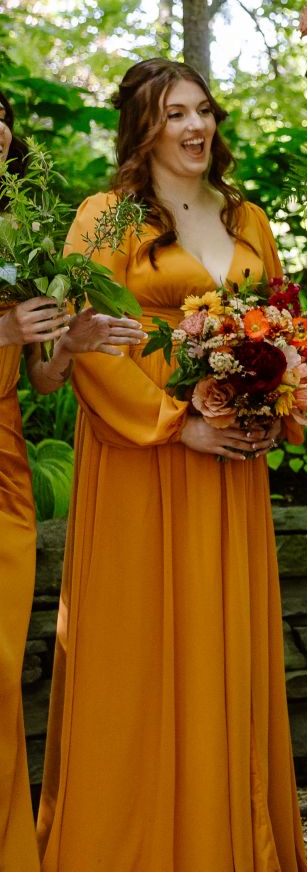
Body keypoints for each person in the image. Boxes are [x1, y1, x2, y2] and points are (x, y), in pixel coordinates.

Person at [36, 59, 307, 872]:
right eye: (173, 115)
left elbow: (279, 324)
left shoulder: (248, 216)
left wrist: (279, 402)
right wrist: (174, 425)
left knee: (227, 653)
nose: (195, 128)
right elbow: (83, 348)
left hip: (231, 462)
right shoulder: (109, 218)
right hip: (144, 460)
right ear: (143, 129)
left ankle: (231, 840)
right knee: (139, 655)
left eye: (202, 111)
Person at [0, 88, 145, 872]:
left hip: (5, 472)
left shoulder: (18, 233)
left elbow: (45, 381)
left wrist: (72, 339)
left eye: (0, 116)